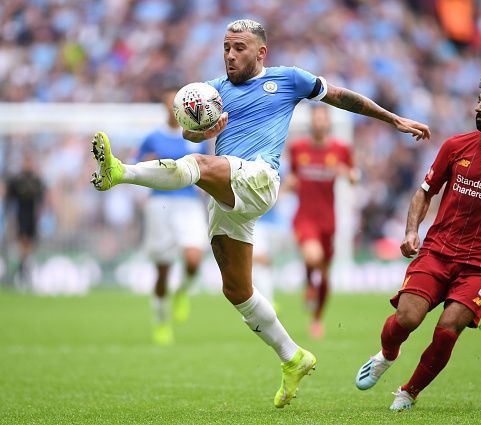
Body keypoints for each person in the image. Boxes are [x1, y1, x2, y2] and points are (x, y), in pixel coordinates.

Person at [89, 19, 430, 407]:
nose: (230, 55)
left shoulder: (289, 80)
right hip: (229, 194)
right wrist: (205, 129)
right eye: (226, 47)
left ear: (260, 52)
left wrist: (394, 119)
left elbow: (341, 96)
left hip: (259, 178)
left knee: (197, 165)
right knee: (237, 289)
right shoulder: (212, 91)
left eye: (239, 48)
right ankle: (293, 357)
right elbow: (190, 132)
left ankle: (119, 173)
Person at [355, 70, 481, 411]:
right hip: (438, 250)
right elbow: (424, 192)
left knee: (447, 329)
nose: (479, 108)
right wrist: (412, 230)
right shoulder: (456, 146)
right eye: (479, 101)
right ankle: (387, 354)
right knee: (407, 318)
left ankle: (408, 392)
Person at [137, 86, 209, 346]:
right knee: (163, 270)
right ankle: (161, 321)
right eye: (168, 103)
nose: (172, 108)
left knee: (193, 259)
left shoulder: (195, 137)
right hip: (160, 205)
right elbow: (138, 168)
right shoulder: (152, 138)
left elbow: (207, 169)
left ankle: (182, 292)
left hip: (188, 204)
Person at [287, 105, 359, 339]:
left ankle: (317, 319)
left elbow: (353, 176)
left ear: (328, 123)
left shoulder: (341, 149)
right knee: (313, 256)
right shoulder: (298, 148)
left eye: (322, 119)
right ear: (311, 122)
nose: (319, 123)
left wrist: (347, 173)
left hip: (328, 220)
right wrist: (287, 183)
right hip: (304, 217)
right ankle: (309, 283)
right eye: (316, 118)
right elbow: (293, 175)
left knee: (325, 274)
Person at [5, 152, 45, 289]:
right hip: (21, 216)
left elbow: (41, 198)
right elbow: (9, 199)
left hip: (32, 216)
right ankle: (23, 271)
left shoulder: (36, 180)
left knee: (29, 244)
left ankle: (24, 268)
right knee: (23, 242)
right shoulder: (17, 180)